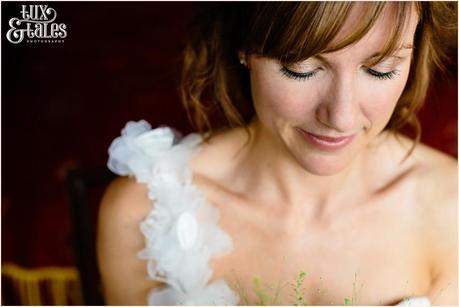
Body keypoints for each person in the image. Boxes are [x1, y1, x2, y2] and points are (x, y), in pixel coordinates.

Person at [97, 2, 457, 305]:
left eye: (380, 70)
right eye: (300, 68)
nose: (340, 116)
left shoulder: (448, 207)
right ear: (244, 45)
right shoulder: (146, 214)